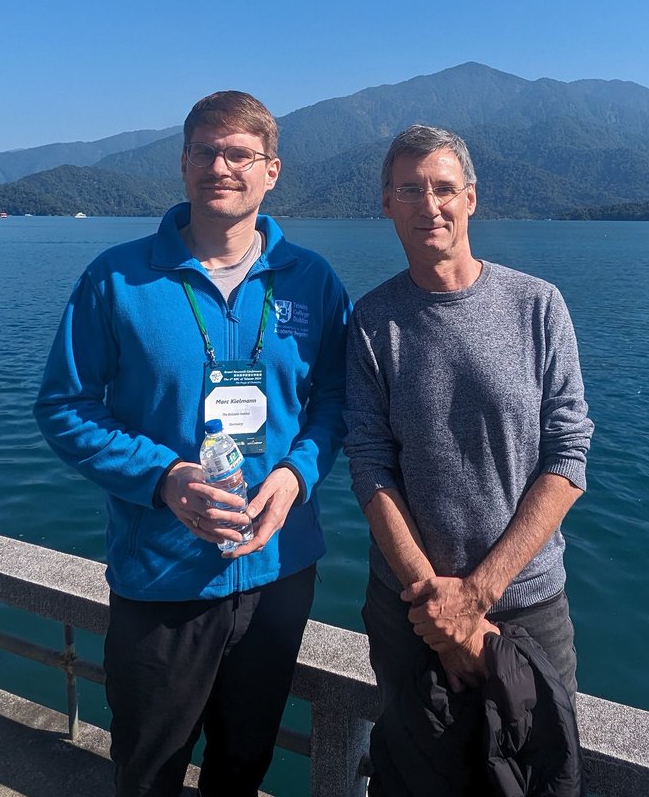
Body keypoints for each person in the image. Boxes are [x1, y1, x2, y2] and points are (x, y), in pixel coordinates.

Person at [34, 91, 350, 797]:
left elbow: (336, 399)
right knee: (148, 767)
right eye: (205, 151)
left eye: (240, 153)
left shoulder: (314, 282)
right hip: (161, 574)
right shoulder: (118, 278)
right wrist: (163, 477)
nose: (221, 166)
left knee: (244, 763)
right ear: (182, 165)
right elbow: (64, 406)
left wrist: (298, 474)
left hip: (278, 569)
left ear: (272, 170)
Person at [343, 123, 593, 710]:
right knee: (415, 773)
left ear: (471, 198)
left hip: (527, 602)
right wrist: (437, 603)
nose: (429, 206)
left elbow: (569, 453)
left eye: (444, 189)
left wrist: (476, 596)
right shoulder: (372, 323)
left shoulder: (537, 305)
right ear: (387, 204)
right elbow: (369, 464)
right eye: (410, 190)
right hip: (410, 605)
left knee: (544, 773)